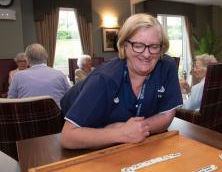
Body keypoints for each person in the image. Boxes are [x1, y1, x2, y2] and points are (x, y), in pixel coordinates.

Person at [61, 13, 183, 149]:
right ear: (124, 45)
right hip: (85, 131)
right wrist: (119, 134)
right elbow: (68, 137)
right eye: (138, 45)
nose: (147, 54)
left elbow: (166, 115)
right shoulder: (104, 79)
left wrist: (134, 130)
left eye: (154, 46)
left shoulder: (167, 66)